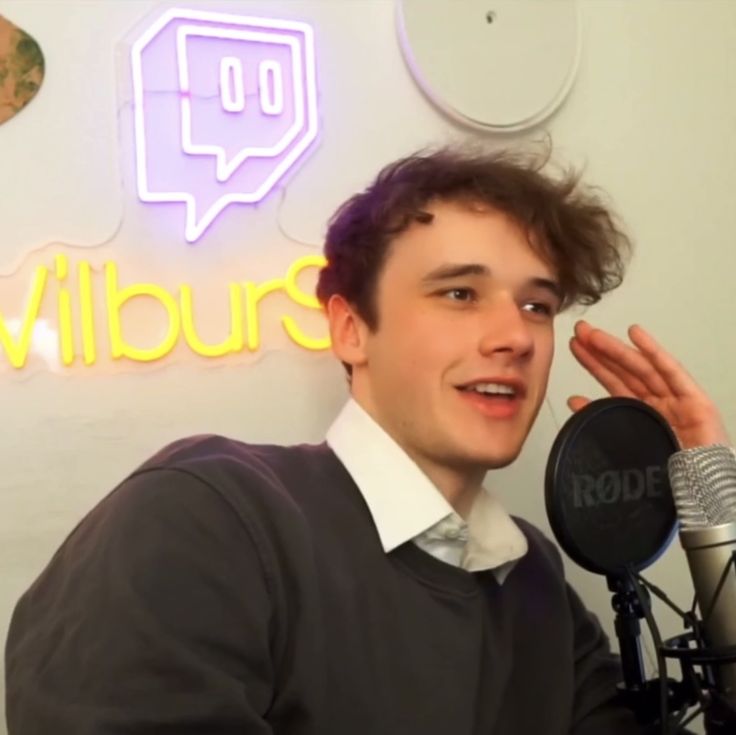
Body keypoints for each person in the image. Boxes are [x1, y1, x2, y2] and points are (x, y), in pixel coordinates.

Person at [5, 148, 731, 734]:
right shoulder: (208, 519)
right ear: (350, 329)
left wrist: (713, 501)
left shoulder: (533, 579)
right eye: (459, 293)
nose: (514, 336)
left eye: (536, 305)